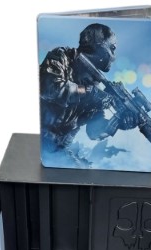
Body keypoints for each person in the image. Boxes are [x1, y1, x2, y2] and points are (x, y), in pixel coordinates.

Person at [39, 23, 141, 159]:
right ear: (98, 46)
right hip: (40, 140)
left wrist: (118, 123)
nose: (114, 56)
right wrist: (87, 91)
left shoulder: (96, 85)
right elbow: (49, 88)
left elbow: (93, 132)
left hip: (60, 148)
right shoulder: (62, 57)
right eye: (112, 48)